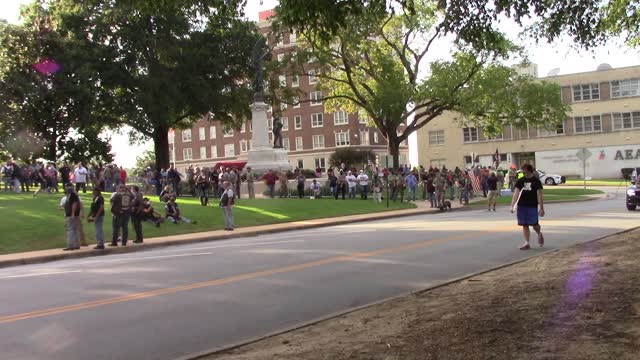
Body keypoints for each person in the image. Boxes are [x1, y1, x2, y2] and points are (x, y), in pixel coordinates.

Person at [510, 164, 545, 250]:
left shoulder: (536, 181)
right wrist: (512, 205)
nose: (525, 173)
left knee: (534, 224)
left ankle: (539, 233)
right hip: (522, 205)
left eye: (526, 171)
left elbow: (539, 195)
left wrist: (541, 208)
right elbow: (516, 193)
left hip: (532, 205)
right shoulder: (520, 181)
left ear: (530, 171)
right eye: (523, 171)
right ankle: (527, 243)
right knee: (524, 224)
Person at [62, 184, 81, 250]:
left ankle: (70, 245)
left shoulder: (72, 195)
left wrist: (72, 213)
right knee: (74, 229)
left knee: (70, 230)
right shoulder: (71, 195)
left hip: (71, 215)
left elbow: (74, 204)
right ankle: (76, 244)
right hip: (72, 214)